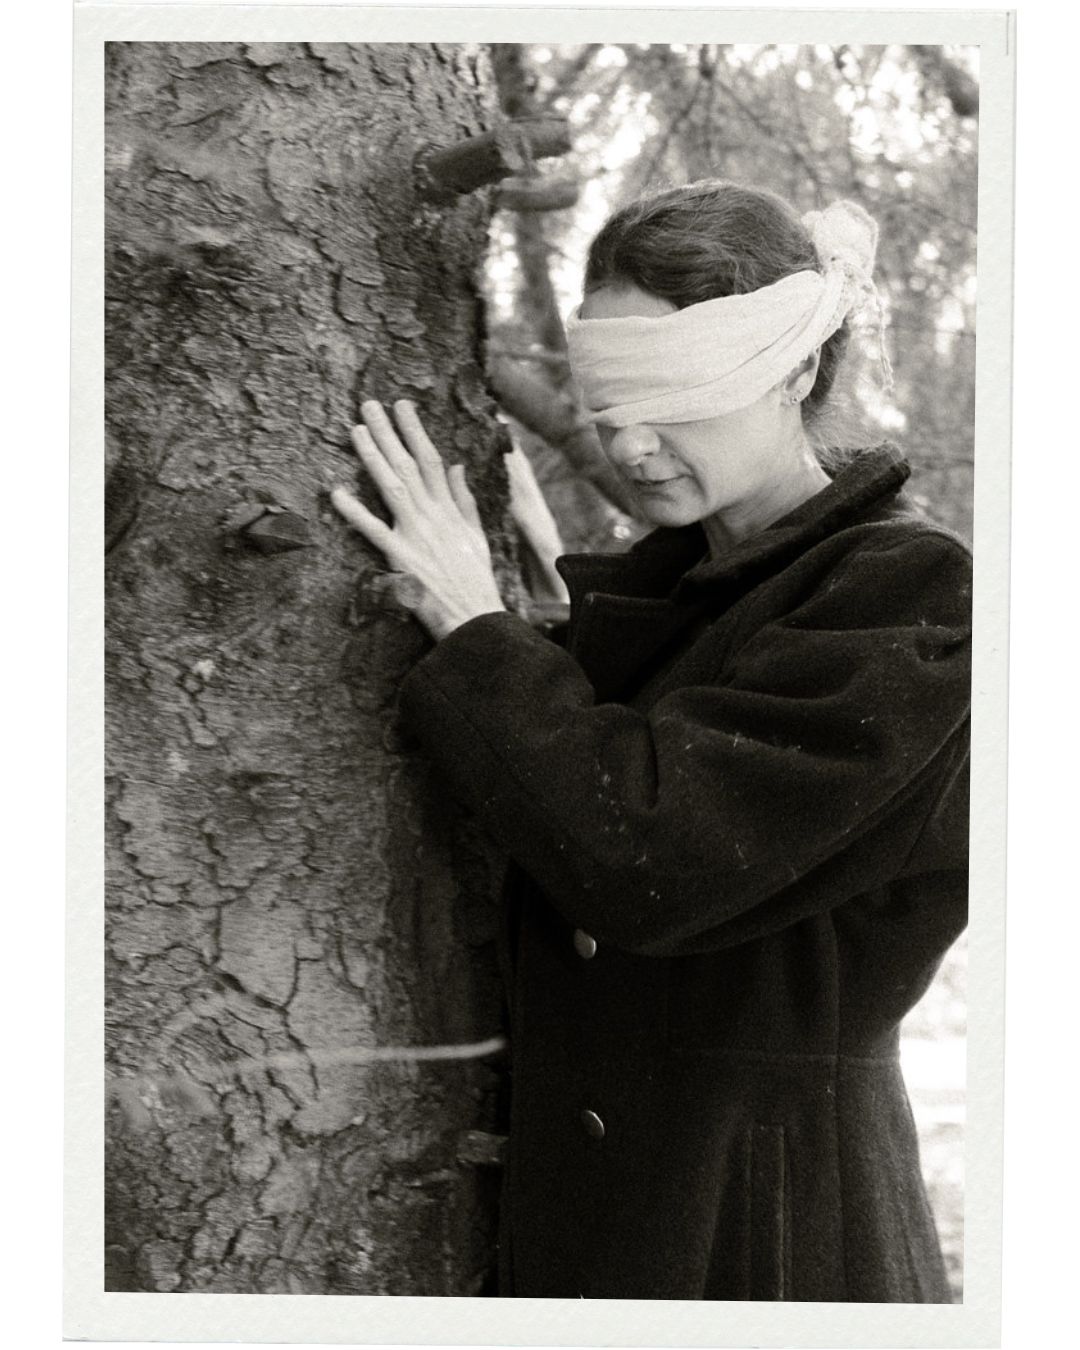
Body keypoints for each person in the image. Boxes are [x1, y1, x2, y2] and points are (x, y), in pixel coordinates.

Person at [329, 180, 971, 1303]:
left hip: (770, 1243)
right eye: (610, 393)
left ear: (799, 370)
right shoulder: (679, 589)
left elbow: (653, 854)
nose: (629, 436)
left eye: (680, 391)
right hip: (606, 1226)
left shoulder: (910, 594)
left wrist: (482, 633)